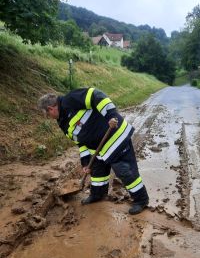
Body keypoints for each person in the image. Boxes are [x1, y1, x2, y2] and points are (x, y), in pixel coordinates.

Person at [38, 87, 149, 215]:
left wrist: (111, 114)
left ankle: (141, 200)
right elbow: (80, 142)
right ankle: (98, 194)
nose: (49, 117)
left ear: (51, 108)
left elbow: (96, 95)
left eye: (47, 114)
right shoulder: (62, 123)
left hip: (115, 136)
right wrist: (85, 162)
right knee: (97, 172)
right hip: (97, 148)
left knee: (124, 170)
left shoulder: (70, 99)